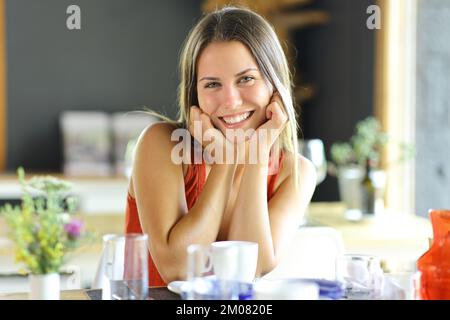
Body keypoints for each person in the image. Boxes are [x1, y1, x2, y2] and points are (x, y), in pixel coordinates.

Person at [125, 6, 317, 287]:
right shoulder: (161, 145)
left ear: (274, 86)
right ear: (196, 96)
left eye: (246, 79)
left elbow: (253, 268)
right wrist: (225, 163)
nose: (230, 101)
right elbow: (177, 269)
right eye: (212, 84)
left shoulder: (296, 171)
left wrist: (255, 157)